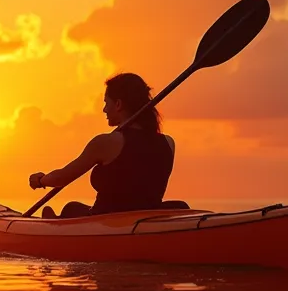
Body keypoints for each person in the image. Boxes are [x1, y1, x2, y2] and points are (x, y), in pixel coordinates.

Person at [28, 72, 180, 218]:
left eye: (107, 103)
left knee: (69, 209)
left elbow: (61, 178)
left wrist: (41, 180)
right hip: (144, 219)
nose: (104, 109)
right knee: (73, 207)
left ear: (118, 104)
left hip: (107, 222)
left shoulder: (106, 143)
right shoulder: (168, 143)